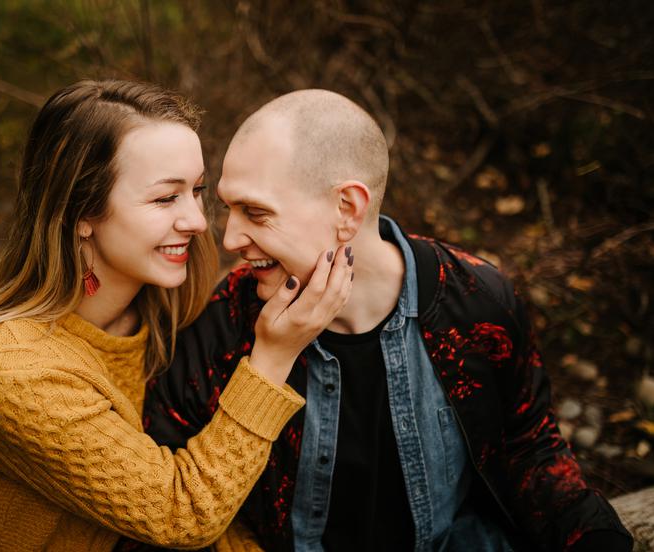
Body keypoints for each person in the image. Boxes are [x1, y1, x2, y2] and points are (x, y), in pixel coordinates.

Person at [143, 89, 633, 551]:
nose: (230, 239)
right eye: (229, 209)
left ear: (347, 209)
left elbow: (530, 450)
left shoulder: (477, 304)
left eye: (255, 212)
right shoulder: (222, 327)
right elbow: (175, 493)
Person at [0, 80, 354, 551]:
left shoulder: (165, 310)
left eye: (196, 191)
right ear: (81, 211)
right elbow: (182, 514)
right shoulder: (8, 373)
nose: (197, 221)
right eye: (164, 198)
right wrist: (273, 357)